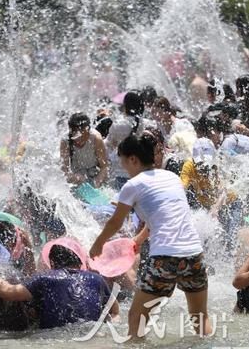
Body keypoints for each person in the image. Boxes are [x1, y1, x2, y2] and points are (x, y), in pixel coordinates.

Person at [89, 134, 211, 338]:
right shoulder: (171, 177)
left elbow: (115, 222)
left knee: (137, 317)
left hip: (166, 257)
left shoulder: (133, 185)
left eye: (123, 162)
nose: (124, 169)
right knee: (200, 316)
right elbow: (165, 216)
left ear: (133, 159)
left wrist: (98, 244)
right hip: (194, 254)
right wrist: (138, 240)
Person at [0, 240, 118, 329]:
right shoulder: (97, 279)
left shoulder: (45, 278)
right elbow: (115, 310)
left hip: (54, 337)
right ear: (79, 261)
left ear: (51, 262)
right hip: (92, 332)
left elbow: (7, 291)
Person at [180, 137, 242, 251]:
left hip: (231, 205)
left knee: (230, 238)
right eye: (200, 165)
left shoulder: (219, 164)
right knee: (207, 241)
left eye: (207, 165)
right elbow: (181, 189)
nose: (204, 169)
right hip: (209, 206)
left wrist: (216, 208)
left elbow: (223, 191)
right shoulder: (188, 166)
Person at [60, 112, 108, 188]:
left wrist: (97, 182)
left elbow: (104, 167)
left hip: (95, 173)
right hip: (77, 175)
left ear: (88, 129)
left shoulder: (96, 138)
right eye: (75, 135)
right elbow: (64, 170)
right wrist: (72, 177)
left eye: (82, 136)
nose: (78, 140)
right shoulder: (66, 141)